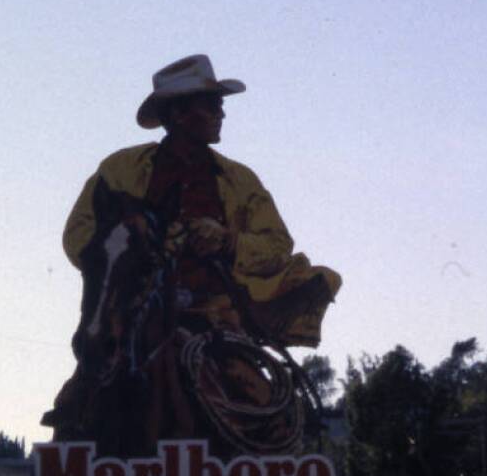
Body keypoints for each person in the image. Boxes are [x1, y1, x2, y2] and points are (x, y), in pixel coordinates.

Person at [60, 54, 341, 354]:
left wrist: (227, 241)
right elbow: (79, 235)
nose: (221, 114)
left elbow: (277, 245)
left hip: (217, 325)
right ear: (179, 113)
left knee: (255, 395)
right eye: (212, 106)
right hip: (131, 322)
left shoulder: (241, 180)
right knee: (77, 398)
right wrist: (141, 247)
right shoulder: (120, 169)